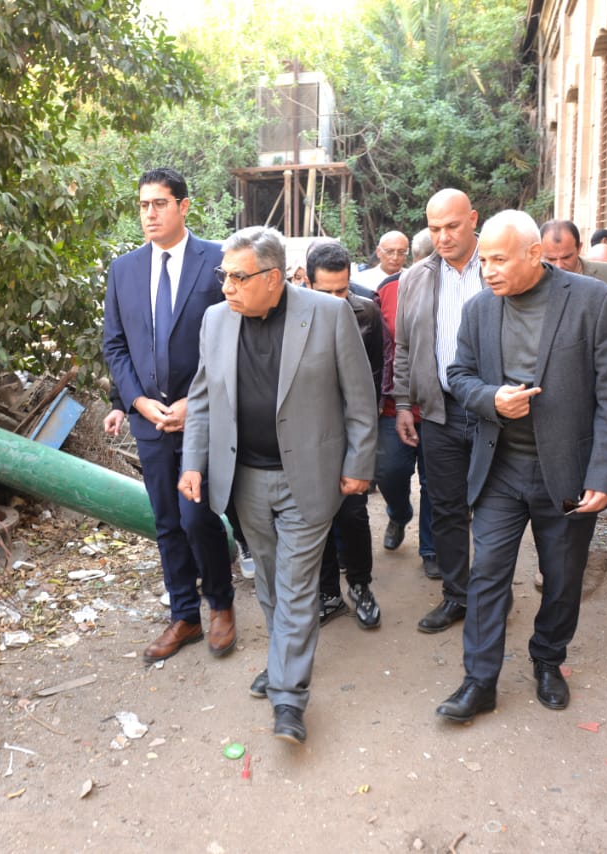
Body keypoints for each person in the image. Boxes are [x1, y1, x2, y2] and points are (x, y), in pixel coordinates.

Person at [179, 226, 378, 744]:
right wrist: (193, 462)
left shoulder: (328, 314)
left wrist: (360, 462)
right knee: (267, 579)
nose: (227, 286)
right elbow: (202, 398)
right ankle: (281, 659)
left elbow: (360, 398)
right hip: (243, 477)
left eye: (238, 277)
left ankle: (288, 695)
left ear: (272, 278)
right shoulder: (215, 320)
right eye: (224, 275)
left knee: (295, 583)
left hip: (308, 476)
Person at [436, 210, 607, 722]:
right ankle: (479, 681)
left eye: (499, 260)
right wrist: (491, 398)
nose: (488, 271)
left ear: (533, 254)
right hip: (501, 469)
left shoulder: (595, 301)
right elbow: (458, 374)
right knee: (487, 574)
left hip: (568, 474)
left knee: (563, 576)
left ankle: (548, 660)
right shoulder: (479, 309)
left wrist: (604, 474)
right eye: (484, 260)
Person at [102, 167, 236, 664]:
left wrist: (194, 403)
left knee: (198, 515)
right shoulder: (124, 270)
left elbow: (235, 340)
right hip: (150, 419)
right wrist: (135, 401)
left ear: (183, 206)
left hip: (202, 416)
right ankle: (185, 615)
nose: (149, 214)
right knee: (166, 521)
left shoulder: (218, 261)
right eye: (143, 205)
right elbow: (115, 345)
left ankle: (221, 604)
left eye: (159, 203)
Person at [393, 188, 484, 634]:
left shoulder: (498, 266)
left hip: (494, 414)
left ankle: (490, 594)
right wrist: (404, 403)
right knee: (446, 508)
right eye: (434, 228)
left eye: (452, 226)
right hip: (439, 412)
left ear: (473, 219)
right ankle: (457, 595)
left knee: (495, 509)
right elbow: (404, 347)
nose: (443, 237)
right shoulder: (416, 277)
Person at [306, 240, 384, 628]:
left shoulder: (367, 311)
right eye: (327, 292)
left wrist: (364, 444)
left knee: (353, 513)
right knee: (314, 516)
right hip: (306, 434)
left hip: (349, 430)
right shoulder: (289, 314)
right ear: (307, 283)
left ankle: (360, 585)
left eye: (343, 290)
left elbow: (372, 382)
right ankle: (327, 594)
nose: (337, 301)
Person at [376, 239, 437, 579]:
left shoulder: (458, 292)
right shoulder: (387, 290)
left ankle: (431, 548)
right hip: (393, 406)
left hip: (439, 408)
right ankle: (399, 515)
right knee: (390, 472)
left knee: (435, 482)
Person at [539, 220, 607, 285]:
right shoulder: (534, 282)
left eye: (566, 257)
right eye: (551, 259)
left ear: (579, 248)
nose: (559, 265)